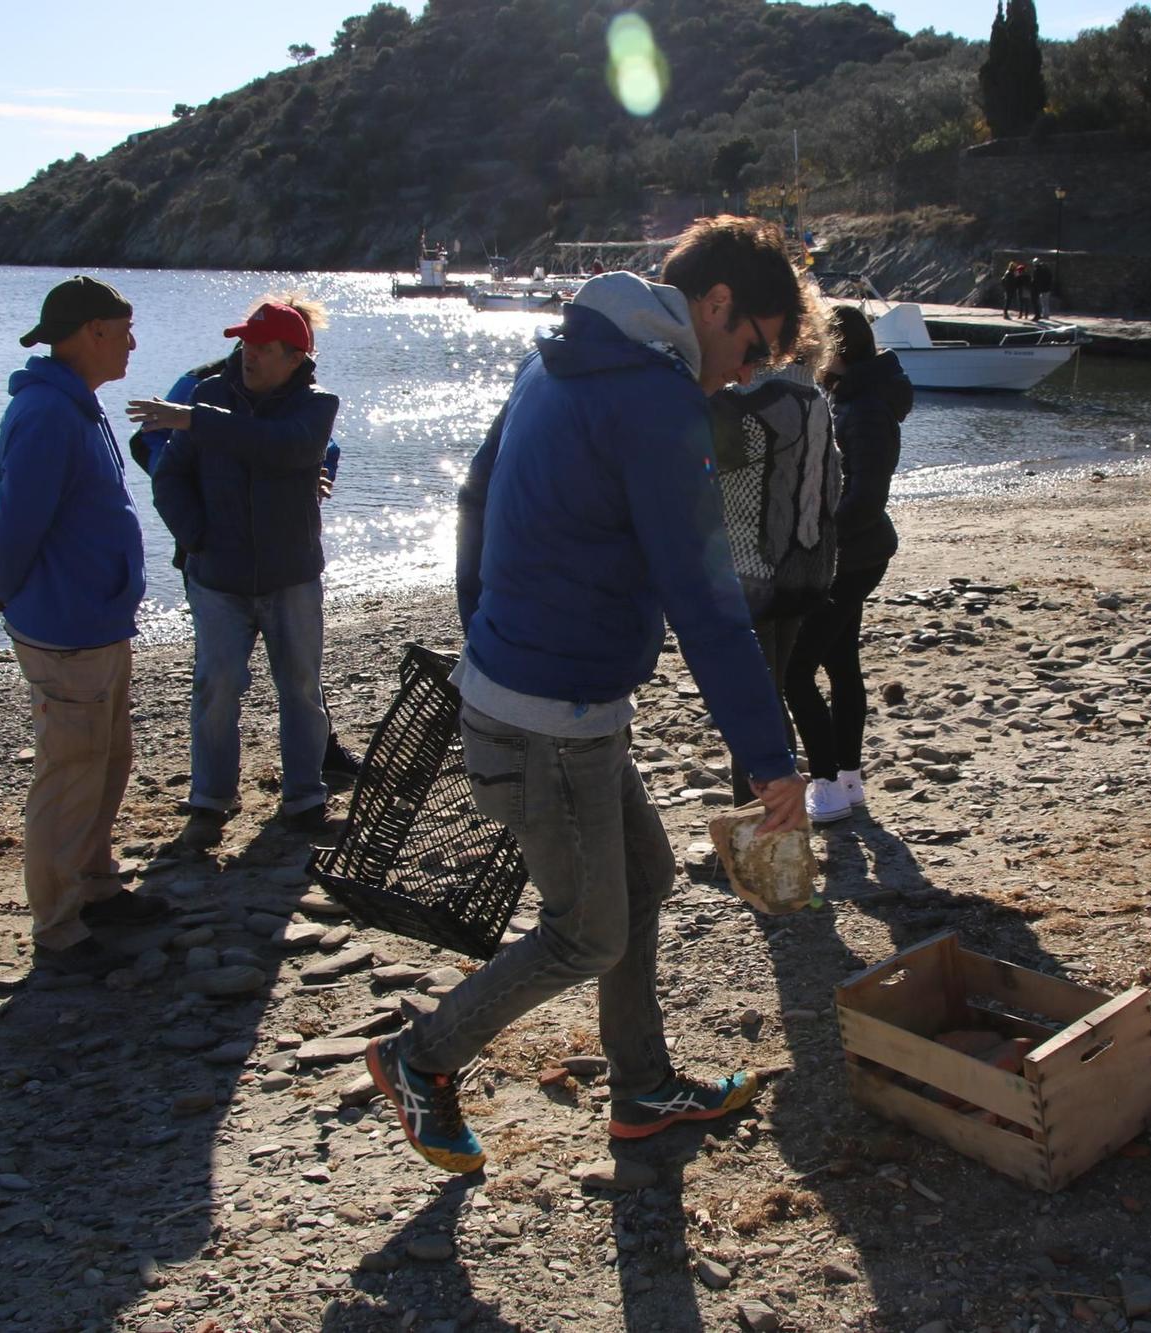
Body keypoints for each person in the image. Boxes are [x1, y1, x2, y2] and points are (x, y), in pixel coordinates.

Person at [364, 216, 819, 1175]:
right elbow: (705, 598)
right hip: (546, 728)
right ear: (716, 303)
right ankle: (418, 1059)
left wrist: (486, 630)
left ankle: (643, 1085)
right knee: (586, 931)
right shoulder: (654, 403)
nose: (748, 371)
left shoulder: (564, 357)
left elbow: (476, 497)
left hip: (551, 705)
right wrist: (773, 762)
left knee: (647, 881)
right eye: (752, 346)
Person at [0, 276, 166, 973]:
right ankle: (57, 925)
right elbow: (17, 523)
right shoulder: (48, 413)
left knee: (106, 761)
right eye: (123, 328)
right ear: (90, 334)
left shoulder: (75, 404)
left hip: (97, 619)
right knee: (70, 772)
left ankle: (96, 885)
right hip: (68, 625)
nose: (133, 342)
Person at [129, 301, 364, 787]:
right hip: (214, 567)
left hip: (289, 570)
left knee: (301, 686)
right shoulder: (203, 391)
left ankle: (309, 787)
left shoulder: (315, 401)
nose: (248, 353)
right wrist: (196, 534)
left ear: (297, 355)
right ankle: (211, 796)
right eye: (246, 343)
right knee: (217, 686)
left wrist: (319, 475)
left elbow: (304, 446)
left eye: (261, 346)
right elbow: (161, 463)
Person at [787, 306, 912, 823]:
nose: (811, 353)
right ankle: (849, 781)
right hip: (854, 555)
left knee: (795, 675)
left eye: (817, 344)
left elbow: (867, 495)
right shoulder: (857, 397)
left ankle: (826, 786)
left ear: (838, 349)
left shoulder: (864, 408)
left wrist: (813, 535)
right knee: (840, 665)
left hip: (850, 558)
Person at [710, 376, 839, 806]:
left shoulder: (733, 404)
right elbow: (832, 487)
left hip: (748, 576)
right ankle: (777, 824)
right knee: (773, 694)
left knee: (752, 707)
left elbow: (703, 492)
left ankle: (757, 833)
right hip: (803, 571)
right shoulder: (814, 398)